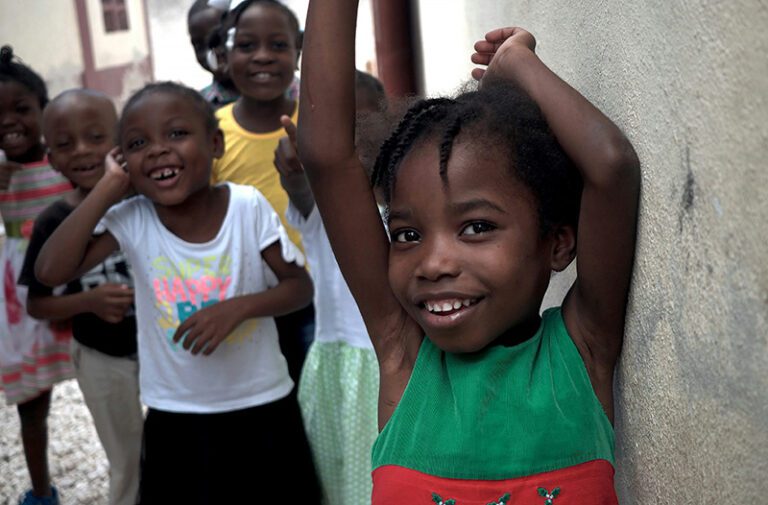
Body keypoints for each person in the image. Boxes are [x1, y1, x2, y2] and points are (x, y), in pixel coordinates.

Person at [297, 1, 641, 503]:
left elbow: (610, 166)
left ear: (559, 243)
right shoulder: (405, 358)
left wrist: (515, 65)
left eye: (476, 227)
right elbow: (327, 156)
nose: (434, 264)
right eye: (407, 235)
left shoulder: (582, 353)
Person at [34, 81, 321, 504]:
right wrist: (107, 189)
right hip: (176, 414)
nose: (157, 149)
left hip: (262, 404)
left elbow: (299, 287)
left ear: (216, 144)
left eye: (176, 134)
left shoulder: (246, 206)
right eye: (136, 143)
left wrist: (239, 309)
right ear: (123, 161)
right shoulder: (131, 218)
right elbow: (49, 270)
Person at [18, 89, 142, 505]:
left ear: (122, 141)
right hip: (102, 358)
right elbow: (37, 302)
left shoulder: (148, 201)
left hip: (166, 353)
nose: (83, 151)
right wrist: (87, 303)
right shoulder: (54, 218)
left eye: (96, 137)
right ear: (51, 159)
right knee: (127, 459)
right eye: (66, 144)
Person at [275, 69, 386, 505]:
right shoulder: (323, 204)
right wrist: (296, 172)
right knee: (335, 479)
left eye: (360, 126)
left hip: (387, 365)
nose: (346, 144)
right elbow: (299, 188)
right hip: (334, 362)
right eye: (332, 133)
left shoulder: (406, 200)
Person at [212, 0, 313, 383]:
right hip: (241, 298)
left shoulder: (318, 123)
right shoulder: (212, 133)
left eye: (278, 45)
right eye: (247, 46)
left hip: (314, 294)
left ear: (298, 53)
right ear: (225, 56)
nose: (263, 57)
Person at [0, 45, 74, 505]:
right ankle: (41, 490)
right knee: (33, 402)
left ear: (44, 111)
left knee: (107, 378)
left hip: (77, 278)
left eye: (22, 109)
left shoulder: (66, 160)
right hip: (22, 295)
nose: (10, 121)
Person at [188, 0, 240, 109]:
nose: (210, 54)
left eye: (218, 40)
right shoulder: (197, 108)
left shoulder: (282, 96)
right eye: (199, 46)